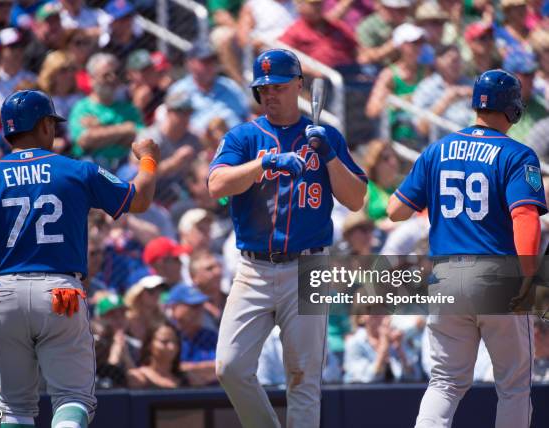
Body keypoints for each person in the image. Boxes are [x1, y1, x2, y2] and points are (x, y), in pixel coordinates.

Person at [0, 89, 160, 427]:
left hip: (5, 294)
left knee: (14, 407)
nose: (55, 131)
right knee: (72, 398)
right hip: (61, 292)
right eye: (52, 124)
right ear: (43, 125)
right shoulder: (76, 171)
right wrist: (147, 158)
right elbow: (139, 199)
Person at [208, 49, 367, 428]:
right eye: (264, 89)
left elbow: (356, 199)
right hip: (254, 268)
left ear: (298, 85)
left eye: (279, 86)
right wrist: (263, 163)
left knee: (303, 376)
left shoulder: (325, 135)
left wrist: (328, 155)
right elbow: (216, 185)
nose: (271, 95)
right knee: (230, 367)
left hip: (308, 265)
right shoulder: (245, 136)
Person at [387, 69, 547, 428]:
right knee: (514, 387)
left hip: (445, 278)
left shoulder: (437, 149)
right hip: (497, 274)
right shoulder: (517, 154)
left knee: (445, 383)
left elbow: (396, 211)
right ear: (513, 108)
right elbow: (524, 217)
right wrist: (528, 275)